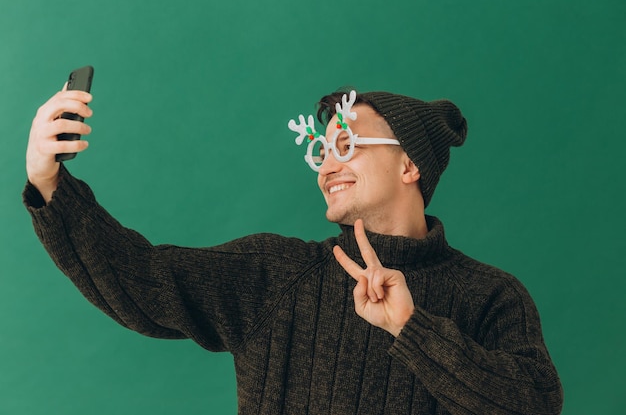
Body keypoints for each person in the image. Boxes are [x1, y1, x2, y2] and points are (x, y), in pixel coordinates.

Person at [23, 84, 563, 415]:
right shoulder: (280, 275)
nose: (327, 167)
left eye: (347, 146)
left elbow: (536, 406)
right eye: (320, 152)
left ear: (409, 165)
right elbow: (139, 280)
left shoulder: (492, 296)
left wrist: (411, 329)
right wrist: (49, 186)